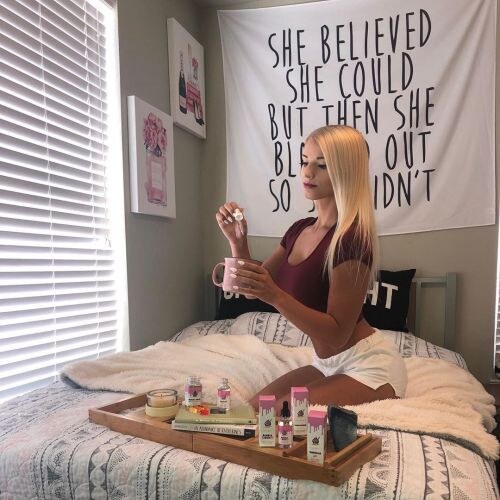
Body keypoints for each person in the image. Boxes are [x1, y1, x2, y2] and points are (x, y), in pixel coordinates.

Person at [215, 125, 407, 411]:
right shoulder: (299, 230)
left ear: (345, 171)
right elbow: (252, 290)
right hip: (324, 363)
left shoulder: (352, 239)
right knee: (249, 410)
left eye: (321, 165)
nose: (307, 172)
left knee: (275, 414)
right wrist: (238, 241)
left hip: (367, 365)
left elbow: (338, 333)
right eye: (304, 161)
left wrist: (275, 295)